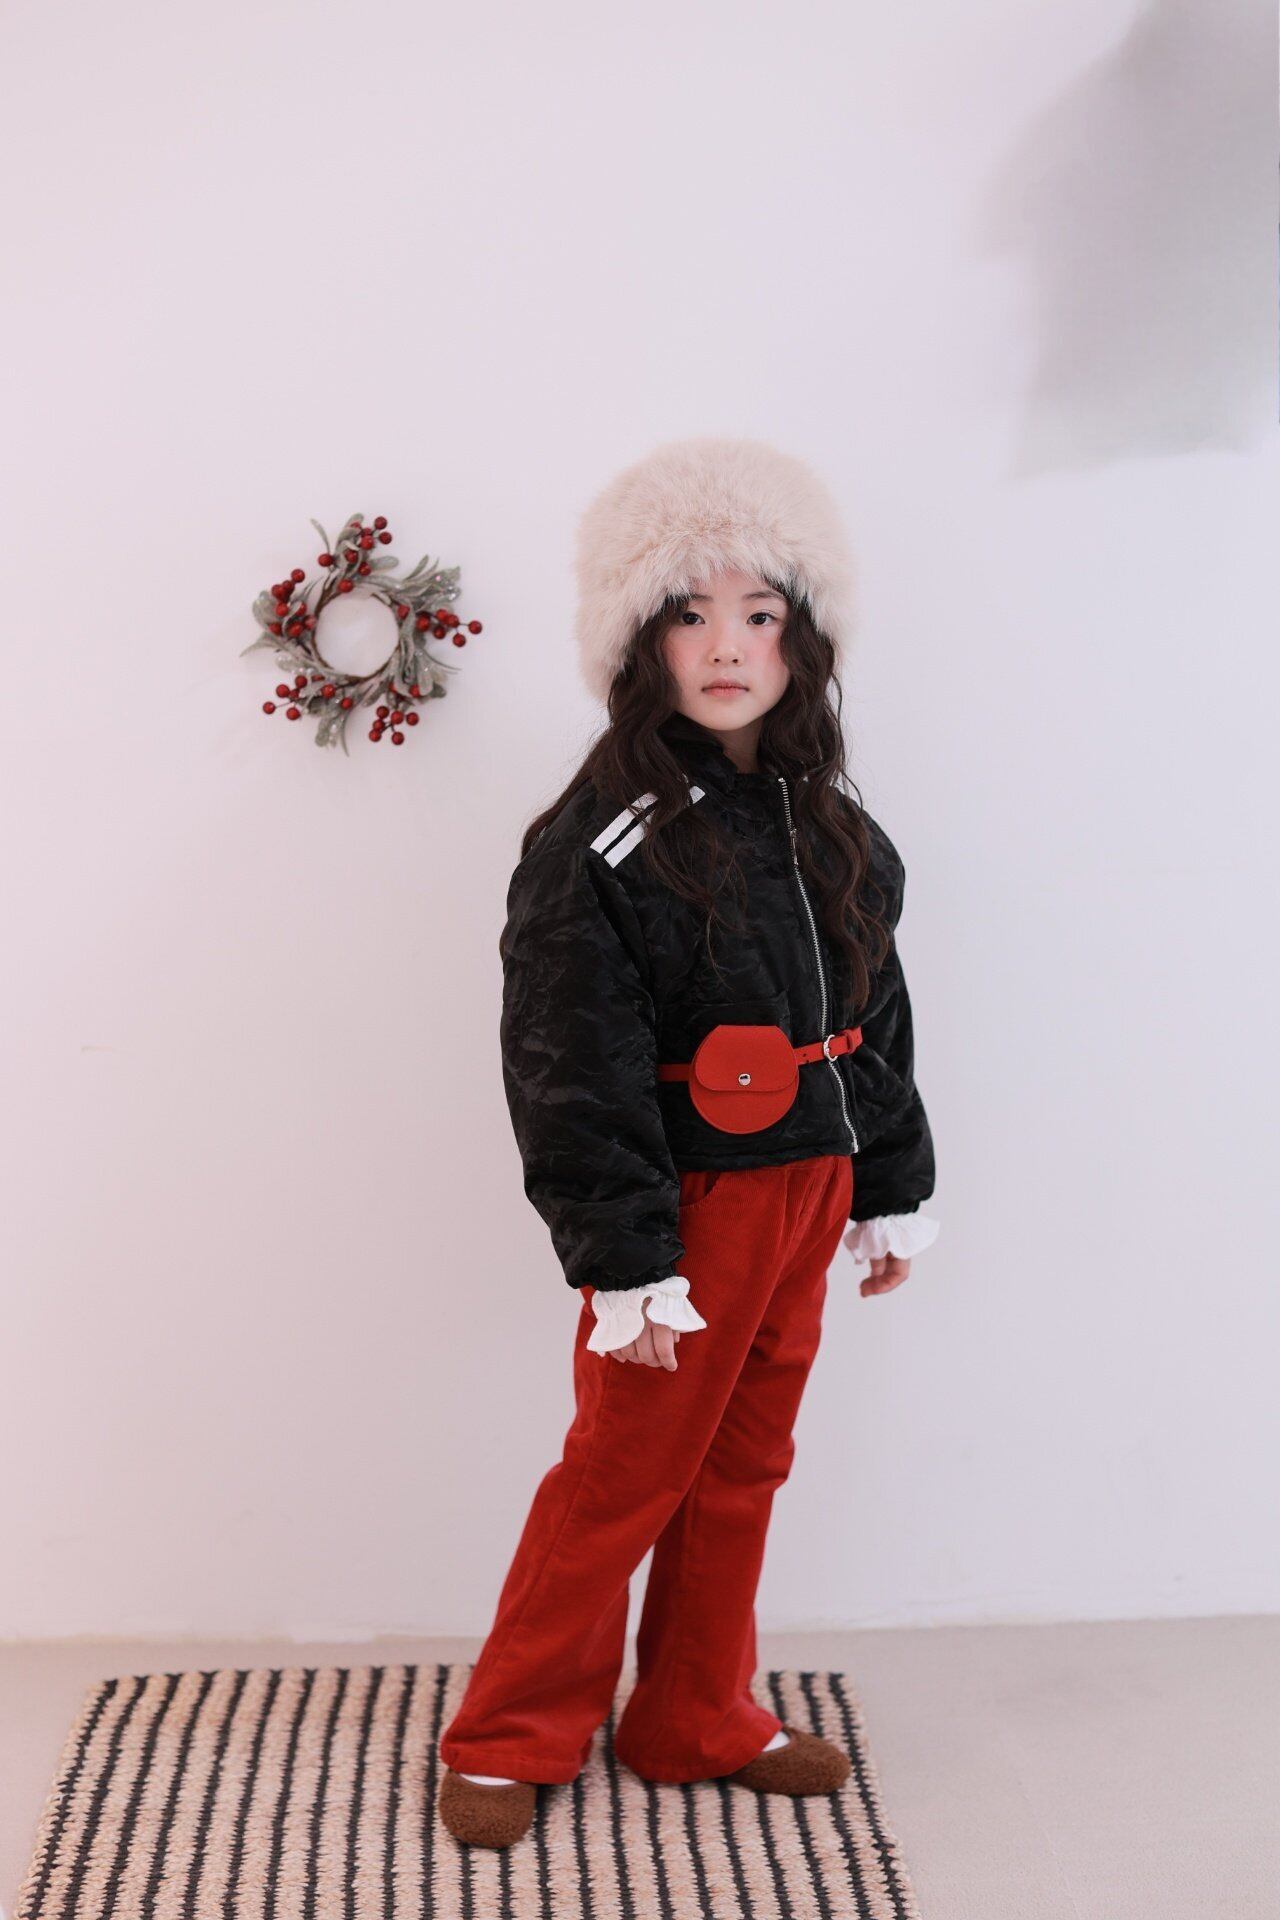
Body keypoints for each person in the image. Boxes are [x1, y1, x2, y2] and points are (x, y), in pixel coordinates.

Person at [436, 436, 939, 1849]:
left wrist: (892, 1186)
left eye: (759, 614)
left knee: (744, 1467)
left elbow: (877, 1018)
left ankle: (693, 1712)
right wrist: (627, 1258)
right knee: (622, 1476)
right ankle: (509, 1730)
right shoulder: (599, 839)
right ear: (639, 635)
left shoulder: (834, 829)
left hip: (809, 1188)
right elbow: (567, 1062)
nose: (727, 646)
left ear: (801, 639)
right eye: (692, 614)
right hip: (686, 1208)